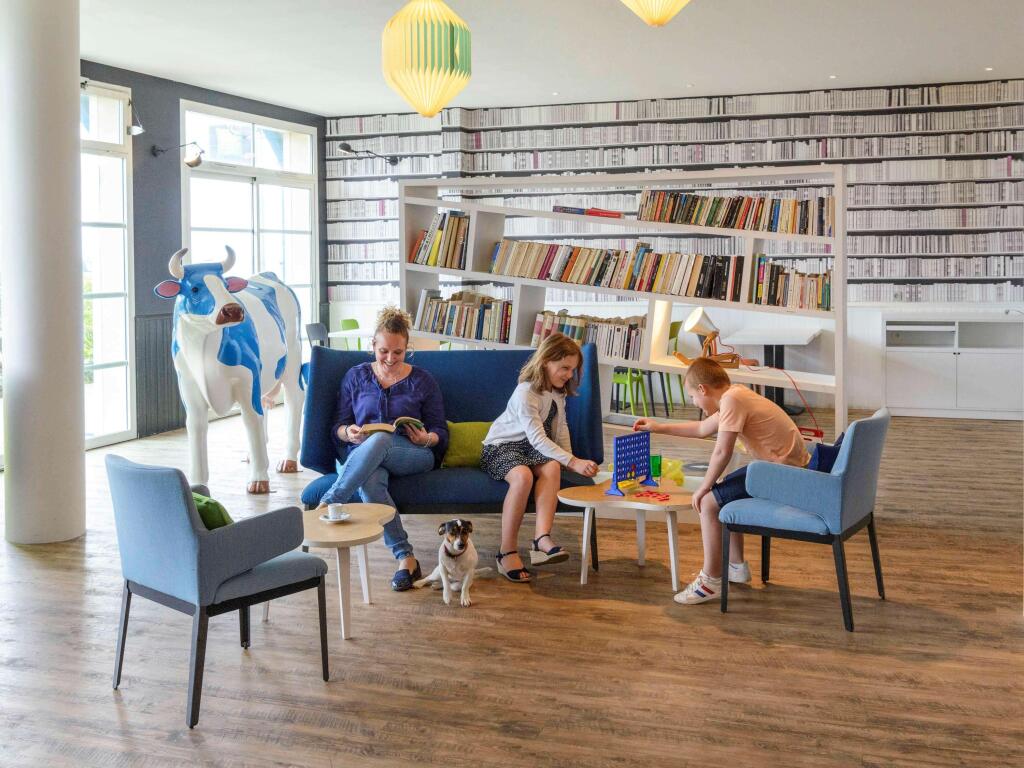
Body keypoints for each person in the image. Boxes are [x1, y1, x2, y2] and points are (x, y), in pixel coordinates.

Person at [633, 357, 810, 606]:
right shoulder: (735, 395)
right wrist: (658, 427)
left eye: (693, 396)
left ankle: (710, 581)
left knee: (708, 502)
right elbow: (701, 429)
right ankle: (736, 567)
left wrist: (704, 488)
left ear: (703, 389)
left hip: (784, 476)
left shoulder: (732, 400)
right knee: (722, 491)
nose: (694, 402)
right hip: (782, 470)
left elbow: (722, 452)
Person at [320, 307, 448, 592]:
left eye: (398, 352)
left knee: (380, 439)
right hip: (364, 455)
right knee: (370, 481)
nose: (390, 358)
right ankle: (406, 558)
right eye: (384, 351)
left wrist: (426, 438)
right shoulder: (355, 376)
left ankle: (332, 500)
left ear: (407, 348)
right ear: (373, 346)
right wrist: (349, 433)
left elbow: (440, 431)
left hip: (414, 453)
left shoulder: (423, 380)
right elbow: (338, 426)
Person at [480, 333, 599, 583]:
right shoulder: (526, 392)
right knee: (523, 477)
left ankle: (541, 539)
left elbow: (560, 428)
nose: (569, 374)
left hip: (532, 448)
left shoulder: (558, 393)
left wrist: (571, 461)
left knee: (553, 467)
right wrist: (573, 462)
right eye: (564, 368)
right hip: (502, 446)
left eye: (573, 369)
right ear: (545, 361)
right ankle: (506, 552)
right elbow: (537, 438)